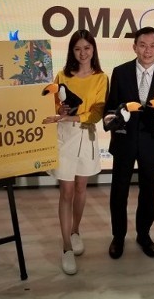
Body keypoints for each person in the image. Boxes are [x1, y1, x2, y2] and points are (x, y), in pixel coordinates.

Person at [103, 26, 154, 259]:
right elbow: (110, 110)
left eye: (153, 45)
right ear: (134, 47)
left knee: (148, 191)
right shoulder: (120, 72)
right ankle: (118, 236)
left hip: (151, 143)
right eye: (143, 45)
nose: (148, 50)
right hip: (124, 142)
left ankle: (144, 235)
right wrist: (117, 118)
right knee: (119, 191)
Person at [43, 29, 108, 275]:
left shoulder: (101, 77)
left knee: (81, 188)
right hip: (64, 137)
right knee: (67, 191)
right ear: (72, 51)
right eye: (78, 48)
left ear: (93, 50)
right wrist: (61, 111)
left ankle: (75, 230)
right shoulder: (62, 75)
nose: (83, 53)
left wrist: (73, 117)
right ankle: (66, 247)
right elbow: (54, 105)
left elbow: (98, 112)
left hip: (86, 136)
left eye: (87, 48)